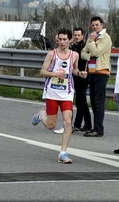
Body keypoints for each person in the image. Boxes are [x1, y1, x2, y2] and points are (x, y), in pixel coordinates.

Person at [32, 28, 87, 163]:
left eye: (64, 39)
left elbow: (73, 69)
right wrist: (55, 74)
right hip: (52, 92)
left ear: (69, 40)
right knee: (51, 125)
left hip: (66, 93)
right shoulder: (52, 54)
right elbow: (42, 72)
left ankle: (63, 153)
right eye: (60, 39)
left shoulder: (74, 55)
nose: (62, 42)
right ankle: (41, 115)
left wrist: (79, 73)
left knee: (68, 122)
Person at [81, 16, 112, 137]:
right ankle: (95, 127)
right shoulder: (92, 37)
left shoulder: (105, 37)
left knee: (99, 101)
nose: (94, 27)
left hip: (102, 71)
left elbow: (95, 52)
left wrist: (92, 43)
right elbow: (83, 53)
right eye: (93, 25)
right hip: (92, 71)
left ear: (102, 25)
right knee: (93, 101)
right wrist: (91, 56)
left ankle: (99, 128)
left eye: (97, 24)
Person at [71, 27, 92, 132]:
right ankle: (88, 124)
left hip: (83, 77)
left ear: (83, 36)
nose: (77, 37)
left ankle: (77, 124)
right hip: (75, 77)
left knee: (80, 102)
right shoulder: (72, 47)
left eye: (79, 35)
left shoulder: (84, 47)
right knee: (82, 101)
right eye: (75, 35)